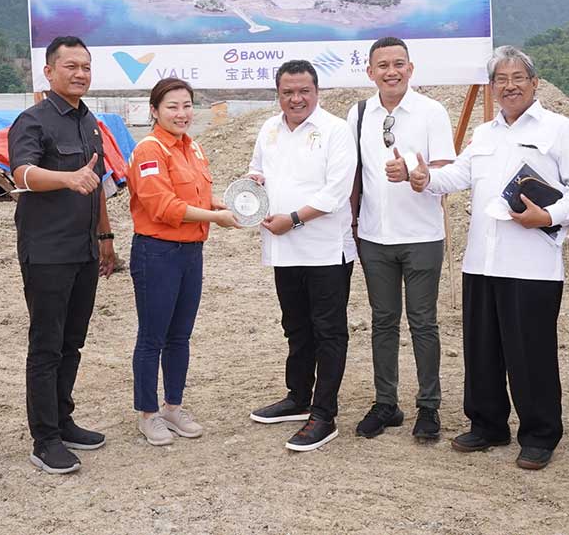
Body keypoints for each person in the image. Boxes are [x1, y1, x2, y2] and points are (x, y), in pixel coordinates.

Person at [407, 45, 569, 470]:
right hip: (482, 261)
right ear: (492, 87)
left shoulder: (559, 129)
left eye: (518, 78)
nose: (509, 86)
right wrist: (426, 178)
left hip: (531, 264)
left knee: (531, 353)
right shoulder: (484, 133)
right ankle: (487, 424)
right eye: (501, 80)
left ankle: (540, 434)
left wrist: (549, 215)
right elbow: (458, 174)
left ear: (534, 83)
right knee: (482, 349)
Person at [8, 36, 117, 475]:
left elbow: (98, 182)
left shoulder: (89, 121)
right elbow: (22, 173)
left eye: (85, 67)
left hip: (84, 249)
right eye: (70, 66)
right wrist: (66, 178)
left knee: (73, 341)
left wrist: (105, 236)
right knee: (47, 344)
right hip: (48, 251)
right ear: (49, 71)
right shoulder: (32, 121)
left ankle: (64, 420)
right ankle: (45, 439)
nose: (80, 74)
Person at [347, 37, 456, 441]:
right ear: (370, 72)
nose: (391, 72)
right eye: (382, 65)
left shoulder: (431, 111)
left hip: (422, 235)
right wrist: (352, 224)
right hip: (374, 236)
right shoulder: (359, 113)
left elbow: (446, 169)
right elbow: (353, 173)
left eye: (398, 64)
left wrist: (416, 173)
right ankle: (386, 403)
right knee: (383, 321)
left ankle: (429, 406)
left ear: (410, 68)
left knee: (423, 322)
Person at [247, 60, 358, 452]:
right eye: (288, 92)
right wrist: (255, 184)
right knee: (295, 326)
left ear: (317, 91)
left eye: (303, 91)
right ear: (278, 94)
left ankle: (324, 414)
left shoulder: (336, 130)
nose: (296, 99)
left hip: (325, 250)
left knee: (328, 331)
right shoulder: (269, 128)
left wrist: (293, 219)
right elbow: (256, 170)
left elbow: (336, 193)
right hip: (283, 249)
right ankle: (298, 397)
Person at [126, 78, 240, 446]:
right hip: (157, 253)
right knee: (152, 336)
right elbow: (163, 206)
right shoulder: (150, 150)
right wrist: (214, 217)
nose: (181, 113)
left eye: (187, 105)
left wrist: (216, 205)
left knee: (180, 335)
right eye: (172, 106)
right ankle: (148, 414)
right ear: (154, 110)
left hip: (191, 253)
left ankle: (173, 407)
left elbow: (196, 196)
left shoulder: (193, 147)